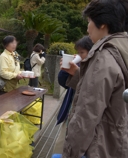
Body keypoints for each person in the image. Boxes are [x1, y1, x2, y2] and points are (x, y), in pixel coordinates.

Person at [61, 0, 128, 157]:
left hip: (100, 147)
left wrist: (70, 152)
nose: (87, 28)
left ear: (103, 24)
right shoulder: (122, 50)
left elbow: (87, 114)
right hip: (118, 143)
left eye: (90, 21)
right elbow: (114, 93)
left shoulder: (103, 57)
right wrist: (77, 74)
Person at [53, 36, 93, 154]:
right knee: (60, 147)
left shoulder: (96, 68)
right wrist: (65, 69)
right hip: (70, 113)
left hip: (83, 120)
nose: (79, 55)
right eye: (78, 52)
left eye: (82, 52)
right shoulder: (79, 66)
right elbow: (63, 82)